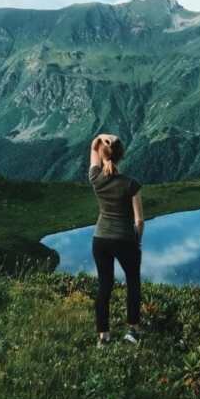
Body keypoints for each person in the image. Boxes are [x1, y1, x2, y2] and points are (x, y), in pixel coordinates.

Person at [88, 133, 144, 348]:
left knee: (104, 285)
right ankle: (133, 330)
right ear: (121, 156)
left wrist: (101, 137)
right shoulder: (132, 185)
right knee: (133, 283)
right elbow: (139, 221)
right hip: (125, 240)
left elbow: (93, 149)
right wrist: (137, 241)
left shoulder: (95, 179)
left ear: (103, 155)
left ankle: (103, 336)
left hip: (100, 239)